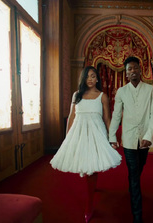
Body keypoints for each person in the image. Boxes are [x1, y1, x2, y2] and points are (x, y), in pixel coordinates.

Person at [50, 66, 122, 223]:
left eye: (93, 76)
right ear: (83, 78)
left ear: (97, 79)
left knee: (91, 168)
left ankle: (89, 205)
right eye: (87, 76)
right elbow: (71, 117)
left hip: (96, 133)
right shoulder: (77, 95)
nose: (90, 79)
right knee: (86, 165)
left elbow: (107, 119)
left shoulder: (102, 96)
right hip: (79, 133)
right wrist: (66, 139)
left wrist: (112, 138)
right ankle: (92, 189)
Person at [109, 56, 153, 223]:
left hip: (145, 139)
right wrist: (112, 136)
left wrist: (148, 135)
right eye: (129, 69)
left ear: (140, 69)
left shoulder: (151, 90)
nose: (132, 71)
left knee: (139, 169)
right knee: (133, 173)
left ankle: (133, 188)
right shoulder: (122, 92)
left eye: (134, 68)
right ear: (126, 73)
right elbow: (116, 115)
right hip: (129, 139)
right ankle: (137, 215)